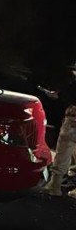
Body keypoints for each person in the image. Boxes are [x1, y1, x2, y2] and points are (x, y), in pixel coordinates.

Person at [41, 62, 76, 198]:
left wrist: (58, 95)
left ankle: (54, 186)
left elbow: (69, 96)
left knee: (63, 152)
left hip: (72, 120)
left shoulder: (73, 84)